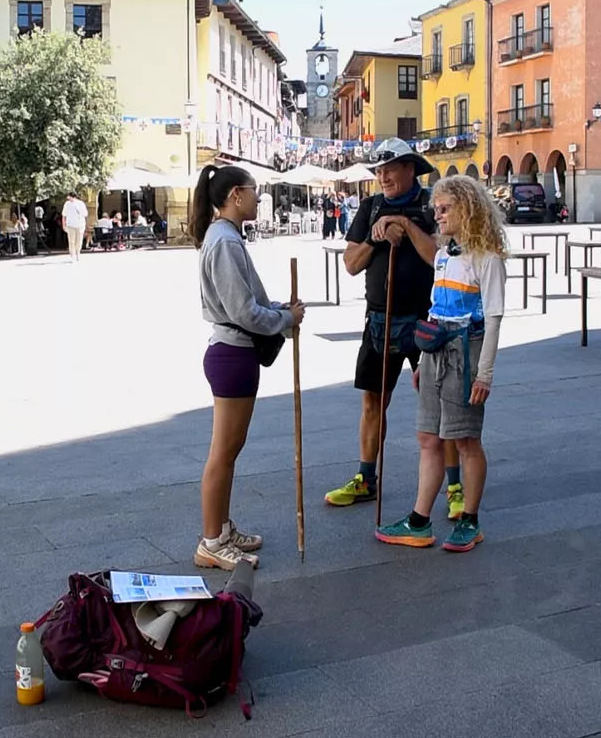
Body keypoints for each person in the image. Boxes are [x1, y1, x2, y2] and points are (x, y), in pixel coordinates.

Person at [324, 138, 462, 520]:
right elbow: (351, 263)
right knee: (372, 402)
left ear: (410, 169)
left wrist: (403, 224)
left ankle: (454, 488)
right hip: (379, 320)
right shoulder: (369, 208)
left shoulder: (433, 204)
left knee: (442, 408)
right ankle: (367, 479)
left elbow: (441, 257)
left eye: (389, 168)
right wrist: (376, 235)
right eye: (378, 170)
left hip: (427, 320)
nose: (382, 176)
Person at [375, 176, 506, 553]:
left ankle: (470, 519)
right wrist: (424, 363)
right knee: (428, 438)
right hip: (436, 350)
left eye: (445, 209)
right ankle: (419, 520)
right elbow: (436, 306)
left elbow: (494, 316)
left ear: (468, 208)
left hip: (466, 351)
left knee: (466, 440)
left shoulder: (488, 257)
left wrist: (485, 373)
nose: (439, 215)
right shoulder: (446, 253)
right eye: (437, 209)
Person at [194, 163, 304, 570]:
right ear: (236, 194)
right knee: (222, 452)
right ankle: (211, 540)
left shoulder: (227, 237)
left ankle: (221, 528)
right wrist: (285, 320)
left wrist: (279, 310)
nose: (261, 198)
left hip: (236, 353)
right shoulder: (223, 240)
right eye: (256, 191)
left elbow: (248, 303)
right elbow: (242, 311)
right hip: (232, 353)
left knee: (230, 449)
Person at [61, 192, 88, 261]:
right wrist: (64, 225)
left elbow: (85, 215)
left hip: (80, 224)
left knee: (79, 241)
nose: (68, 198)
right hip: (70, 225)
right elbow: (64, 215)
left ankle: (78, 253)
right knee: (71, 241)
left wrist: (85, 225)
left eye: (69, 197)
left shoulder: (81, 204)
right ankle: (72, 255)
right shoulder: (67, 204)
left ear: (73, 197)